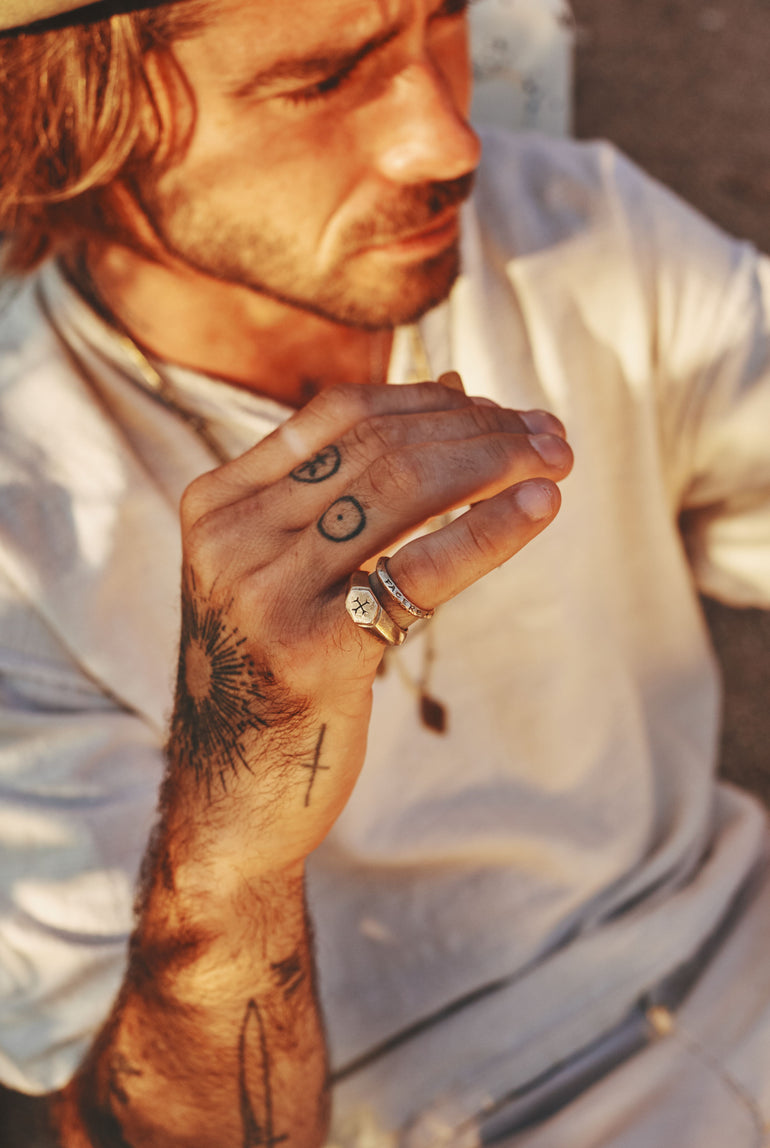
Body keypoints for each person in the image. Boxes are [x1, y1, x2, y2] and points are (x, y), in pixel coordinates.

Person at [0, 1, 769, 1145]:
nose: (447, 137)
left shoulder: (566, 222)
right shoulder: (28, 525)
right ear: (74, 121)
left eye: (444, 19)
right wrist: (230, 825)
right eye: (319, 79)